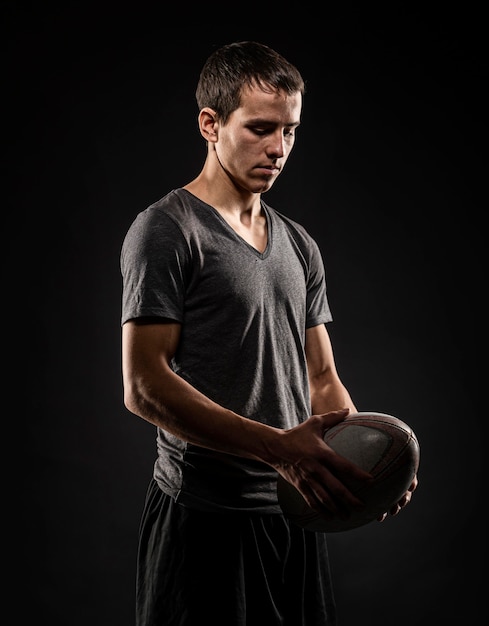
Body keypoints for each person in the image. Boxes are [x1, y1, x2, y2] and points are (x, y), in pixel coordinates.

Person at [120, 40, 418, 626]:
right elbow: (144, 385)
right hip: (202, 518)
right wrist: (277, 449)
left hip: (292, 512)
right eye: (260, 129)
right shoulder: (167, 230)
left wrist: (366, 468)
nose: (278, 149)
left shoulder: (299, 244)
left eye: (290, 131)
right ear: (210, 124)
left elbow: (321, 376)